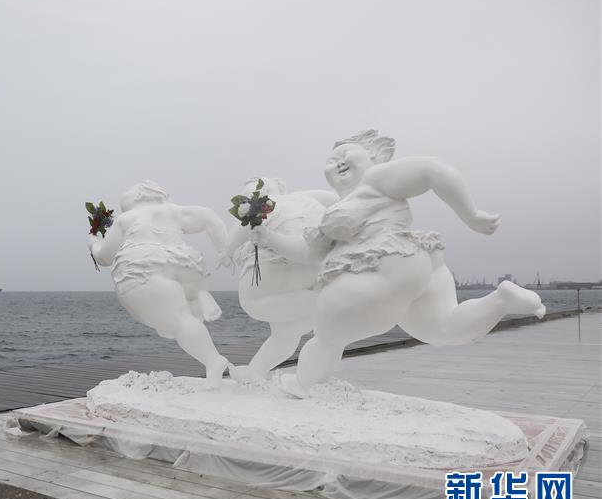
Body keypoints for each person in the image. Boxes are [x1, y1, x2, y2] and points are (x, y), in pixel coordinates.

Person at [280, 130, 545, 395]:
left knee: (327, 332)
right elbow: (307, 252)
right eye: (330, 160)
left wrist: (471, 215)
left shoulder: (374, 179)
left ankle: (303, 384)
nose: (336, 162)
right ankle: (501, 299)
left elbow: (431, 170)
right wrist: (267, 236)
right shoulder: (342, 204)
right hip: (419, 266)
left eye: (344, 154)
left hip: (386, 262)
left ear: (373, 156)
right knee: (444, 329)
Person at [88, 181, 231, 385]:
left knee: (177, 321)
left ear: (138, 197)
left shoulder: (126, 218)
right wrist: (222, 249)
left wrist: (94, 243)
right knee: (183, 313)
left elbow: (104, 258)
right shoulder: (173, 211)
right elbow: (209, 217)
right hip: (187, 262)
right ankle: (197, 292)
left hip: (143, 264)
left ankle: (213, 359)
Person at [223, 178, 337, 381]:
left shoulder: (265, 203)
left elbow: (238, 231)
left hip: (277, 261)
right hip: (316, 263)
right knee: (285, 333)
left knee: (252, 302)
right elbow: (334, 198)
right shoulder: (307, 198)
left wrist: (227, 251)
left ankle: (331, 301)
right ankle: (254, 372)